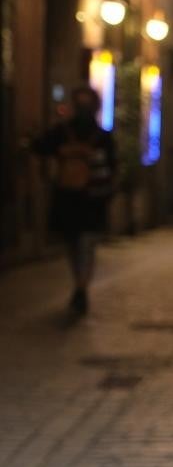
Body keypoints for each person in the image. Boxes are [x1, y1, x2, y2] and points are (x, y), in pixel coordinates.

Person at [36, 86, 117, 315]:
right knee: (84, 244)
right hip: (91, 198)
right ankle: (81, 286)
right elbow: (112, 168)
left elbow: (40, 146)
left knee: (76, 243)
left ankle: (80, 286)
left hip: (70, 196)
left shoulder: (63, 131)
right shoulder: (102, 136)